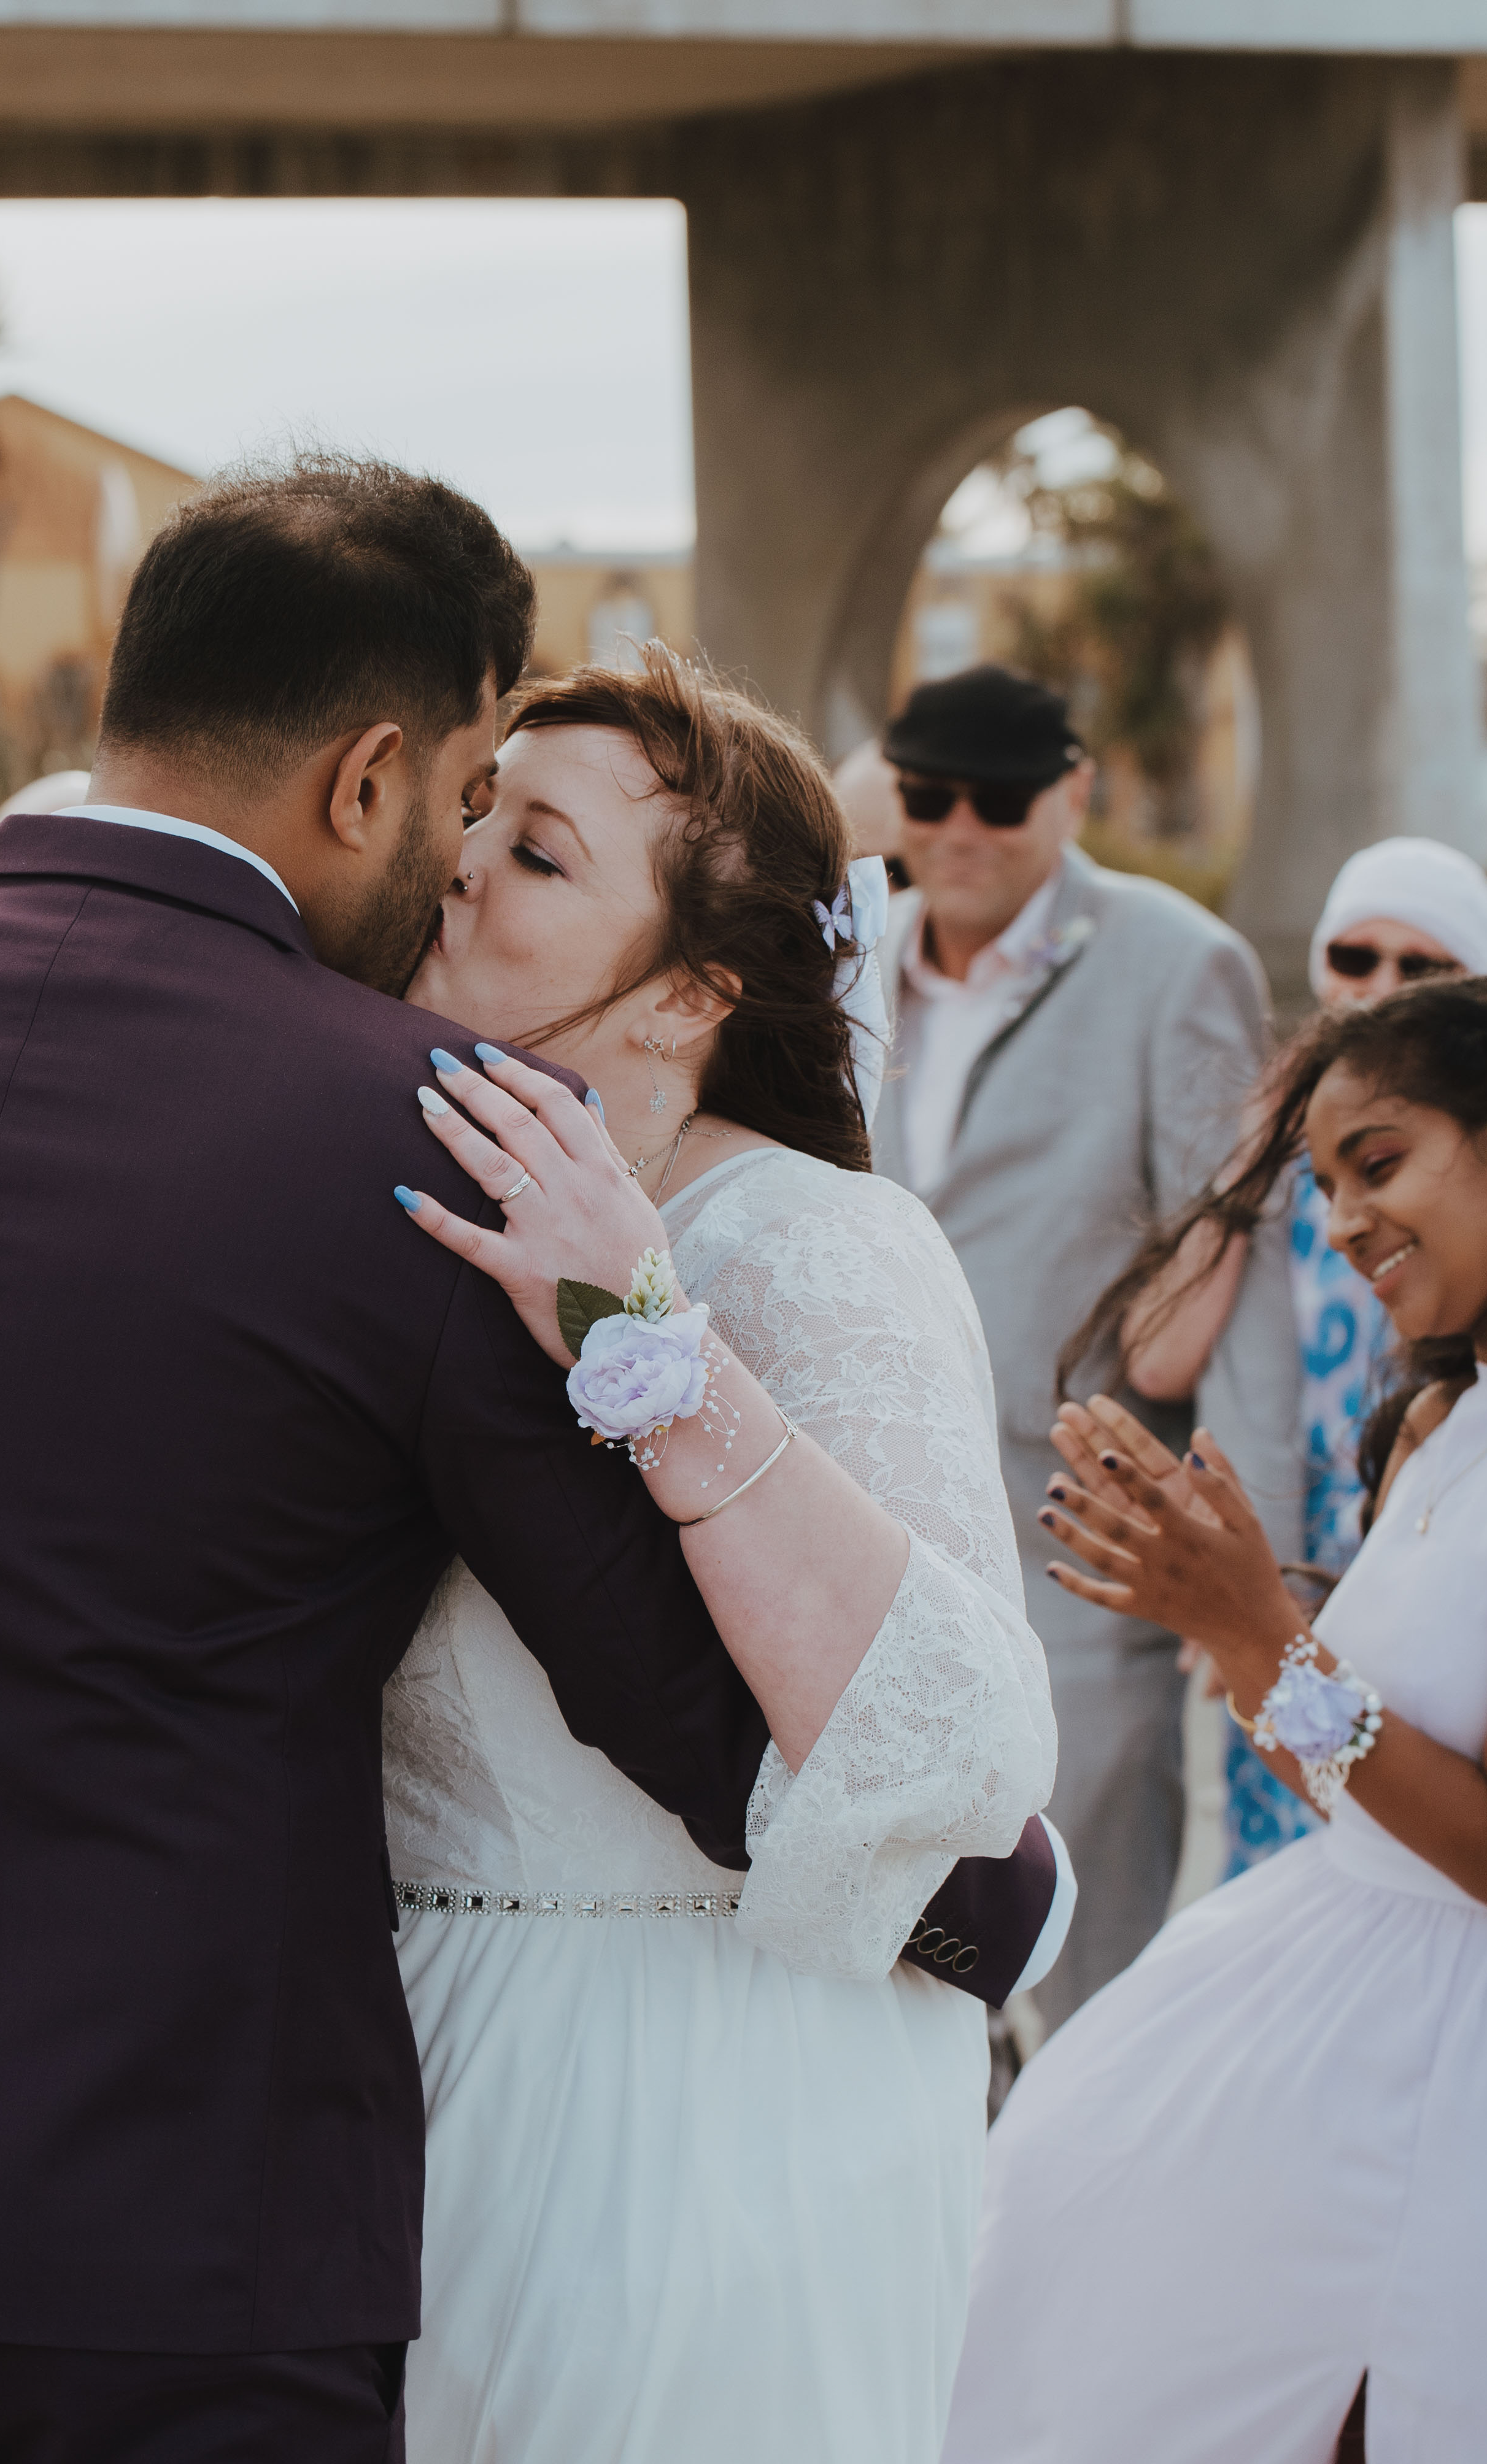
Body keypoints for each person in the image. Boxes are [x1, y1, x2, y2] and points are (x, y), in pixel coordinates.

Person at [0, 454, 1056, 2464]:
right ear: (369, 775)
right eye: (466, 793)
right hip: (184, 2200)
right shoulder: (415, 1130)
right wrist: (977, 1905)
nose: (460, 859)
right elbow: (671, 1690)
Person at [380, 651, 1056, 2461]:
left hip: (699, 2085)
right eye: (473, 816)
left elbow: (944, 1731)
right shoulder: (387, 1197)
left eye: (533, 850)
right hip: (424, 2052)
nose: (459, 867)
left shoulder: (813, 1237)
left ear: (687, 990)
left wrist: (641, 1328)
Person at [946, 976, 1487, 2463]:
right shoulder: (1446, 1417)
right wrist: (1219, 1620)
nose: (1341, 1220)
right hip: (1319, 1992)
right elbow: (1347, 1785)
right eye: (1322, 1183)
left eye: (1376, 1162)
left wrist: (1262, 1623)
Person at [871, 661, 1295, 2022]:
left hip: (1075, 1538)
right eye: (926, 797)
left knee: (1090, 1974)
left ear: (1073, 792)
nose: (956, 831)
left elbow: (1238, 1247)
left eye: (997, 800)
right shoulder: (852, 959)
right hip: (868, 1530)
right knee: (899, 1960)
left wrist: (1256, 1550)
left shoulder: (1178, 962)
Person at [1094, 835, 1487, 1883]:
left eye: (1424, 967)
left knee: (1430, 1861)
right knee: (1287, 1901)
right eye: (1355, 957)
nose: (1379, 989)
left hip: (1442, 1568)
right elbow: (1158, 1353)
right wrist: (1253, 1152)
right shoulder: (1279, 1158)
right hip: (1285, 1584)